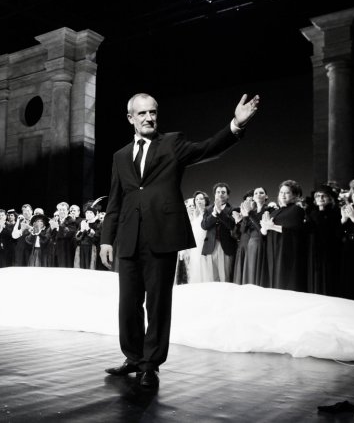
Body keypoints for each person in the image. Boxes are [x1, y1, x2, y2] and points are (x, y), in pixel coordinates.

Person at [100, 92, 259, 388]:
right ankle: (133, 357)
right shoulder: (120, 156)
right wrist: (106, 239)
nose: (149, 118)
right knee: (128, 304)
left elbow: (208, 148)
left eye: (153, 112)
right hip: (129, 237)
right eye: (142, 113)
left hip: (162, 235)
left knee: (158, 303)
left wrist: (236, 124)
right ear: (130, 118)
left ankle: (150, 364)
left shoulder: (172, 143)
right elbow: (115, 200)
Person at [261, 180, 307, 292]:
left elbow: (294, 230)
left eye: (287, 193)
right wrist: (264, 228)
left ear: (294, 195)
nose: (283, 195)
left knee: (285, 282)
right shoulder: (274, 212)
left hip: (287, 250)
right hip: (272, 251)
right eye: (281, 192)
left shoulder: (297, 210)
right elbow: (264, 233)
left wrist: (272, 226)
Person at [305, 185, 341, 295]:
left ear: (330, 198)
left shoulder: (335, 213)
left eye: (324, 196)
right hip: (313, 249)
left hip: (329, 250)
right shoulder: (311, 213)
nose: (320, 198)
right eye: (318, 196)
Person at [235, 187, 274, 287]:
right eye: (256, 193)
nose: (258, 195)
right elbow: (243, 230)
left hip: (261, 242)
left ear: (266, 196)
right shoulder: (253, 211)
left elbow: (261, 229)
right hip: (250, 243)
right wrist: (245, 217)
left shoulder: (269, 210)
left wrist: (250, 213)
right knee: (250, 271)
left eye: (261, 193)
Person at [201, 183, 238, 282]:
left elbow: (231, 225)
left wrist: (220, 212)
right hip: (210, 247)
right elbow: (204, 225)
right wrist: (214, 214)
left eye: (223, 192)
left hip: (226, 247)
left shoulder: (233, 209)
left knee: (225, 278)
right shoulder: (208, 209)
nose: (220, 194)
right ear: (214, 195)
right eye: (218, 192)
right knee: (212, 279)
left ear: (228, 195)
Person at [74, 202, 102, 269]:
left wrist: (88, 229)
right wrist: (81, 230)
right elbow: (76, 239)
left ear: (95, 214)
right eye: (87, 212)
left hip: (92, 249)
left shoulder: (98, 224)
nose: (88, 214)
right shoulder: (82, 223)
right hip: (81, 249)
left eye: (90, 213)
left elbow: (96, 238)